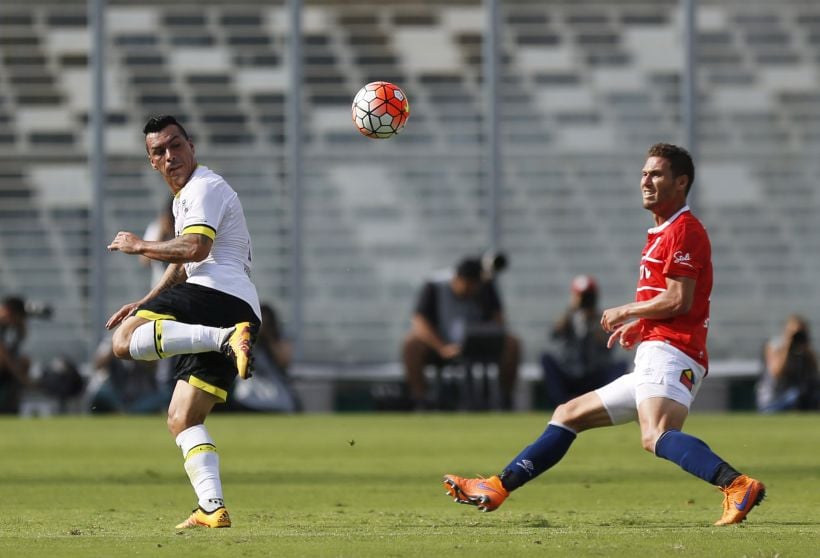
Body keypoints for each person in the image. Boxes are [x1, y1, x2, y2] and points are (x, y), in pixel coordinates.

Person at [442, 143, 766, 526]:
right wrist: (641, 326)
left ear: (681, 182)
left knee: (656, 434)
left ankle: (736, 483)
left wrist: (628, 309)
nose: (646, 180)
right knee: (568, 414)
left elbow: (680, 299)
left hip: (672, 354)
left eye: (656, 174)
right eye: (644, 173)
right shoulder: (663, 232)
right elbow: (671, 302)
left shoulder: (685, 230)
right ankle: (498, 485)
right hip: (658, 351)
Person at [106, 115, 261, 529]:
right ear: (151, 162)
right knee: (182, 418)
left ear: (192, 146)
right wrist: (145, 300)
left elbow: (195, 248)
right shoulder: (185, 199)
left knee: (124, 343)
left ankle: (224, 338)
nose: (170, 155)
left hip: (217, 299)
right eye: (160, 151)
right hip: (238, 308)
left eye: (176, 145)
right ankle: (212, 506)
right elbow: (181, 265)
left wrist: (140, 244)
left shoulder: (204, 186)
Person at [402, 257, 521, 410]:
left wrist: (486, 339)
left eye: (474, 285)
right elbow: (420, 322)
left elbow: (498, 321)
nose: (470, 289)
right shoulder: (435, 285)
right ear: (457, 278)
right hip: (441, 345)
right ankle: (421, 399)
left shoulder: (485, 287)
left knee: (512, 343)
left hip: (477, 345)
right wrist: (442, 347)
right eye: (467, 284)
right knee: (411, 344)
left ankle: (505, 399)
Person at [541, 275, 626, 406]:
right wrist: (569, 314)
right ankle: (562, 405)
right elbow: (553, 335)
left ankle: (605, 404)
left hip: (593, 374)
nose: (585, 301)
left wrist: (594, 325)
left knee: (621, 365)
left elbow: (609, 346)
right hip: (569, 372)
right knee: (545, 358)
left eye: (588, 297)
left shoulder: (603, 319)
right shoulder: (567, 317)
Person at [229, 302, 301, 413]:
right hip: (248, 396)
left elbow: (284, 361)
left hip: (276, 395)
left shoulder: (277, 339)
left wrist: (269, 337)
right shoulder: (244, 338)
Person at [756, 314, 819, 412]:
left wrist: (806, 348)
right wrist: (787, 345)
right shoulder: (774, 346)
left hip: (797, 398)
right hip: (773, 402)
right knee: (796, 395)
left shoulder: (804, 351)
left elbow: (815, 373)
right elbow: (776, 372)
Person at [0, 296, 31, 414]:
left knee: (24, 361)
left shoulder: (9, 326)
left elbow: (22, 337)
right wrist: (22, 377)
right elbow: (4, 355)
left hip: (6, 375)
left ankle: (10, 407)